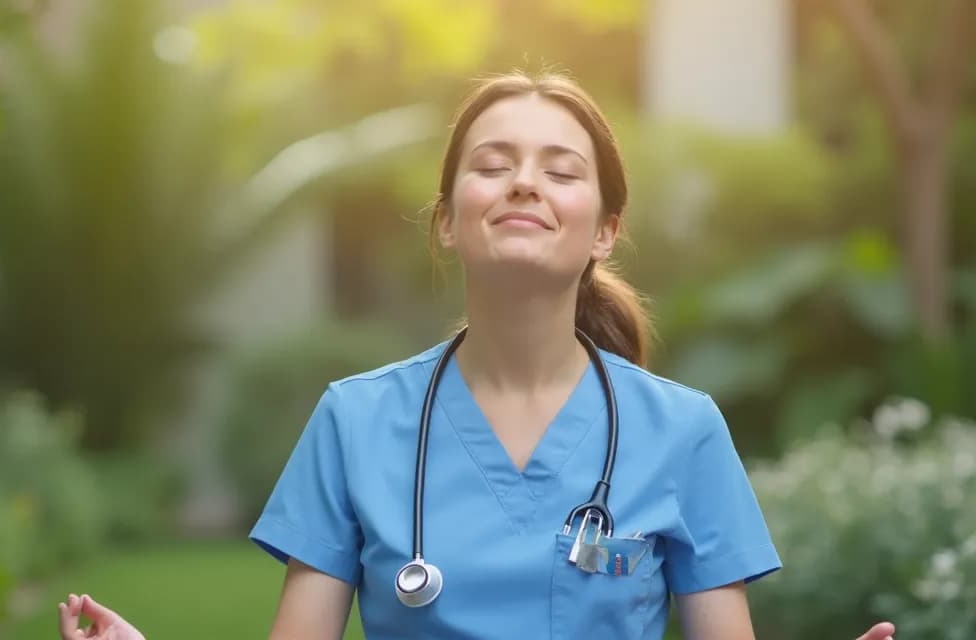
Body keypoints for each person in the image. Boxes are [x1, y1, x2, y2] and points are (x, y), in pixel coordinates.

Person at [58, 70, 898, 640]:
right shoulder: (355, 422)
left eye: (560, 171)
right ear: (450, 222)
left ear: (605, 231)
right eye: (493, 166)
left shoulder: (683, 432)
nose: (525, 183)